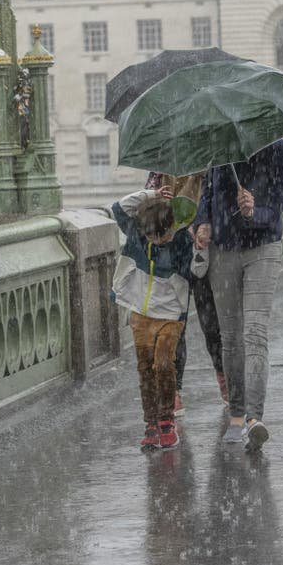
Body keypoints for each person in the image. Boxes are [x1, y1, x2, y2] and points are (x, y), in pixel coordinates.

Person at [194, 138, 283, 452]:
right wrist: (201, 223)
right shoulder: (220, 148)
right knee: (231, 336)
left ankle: (254, 417)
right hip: (224, 249)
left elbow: (277, 208)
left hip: (263, 247)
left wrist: (254, 210)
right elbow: (207, 193)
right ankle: (236, 413)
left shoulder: (279, 150)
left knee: (255, 332)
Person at [110, 185, 195, 451]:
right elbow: (118, 208)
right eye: (153, 237)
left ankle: (166, 420)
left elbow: (196, 273)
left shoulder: (182, 241)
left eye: (163, 236)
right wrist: (150, 195)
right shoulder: (137, 233)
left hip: (170, 314)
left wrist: (200, 248)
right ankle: (150, 424)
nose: (158, 241)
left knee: (163, 365)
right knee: (145, 370)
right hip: (141, 313)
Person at [145, 172, 226, 413]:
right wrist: (157, 199)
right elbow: (148, 205)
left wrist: (202, 221)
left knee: (211, 321)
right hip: (172, 248)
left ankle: (223, 376)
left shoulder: (212, 163)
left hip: (205, 243)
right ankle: (174, 388)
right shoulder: (162, 166)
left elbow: (220, 196)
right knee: (174, 322)